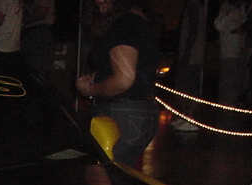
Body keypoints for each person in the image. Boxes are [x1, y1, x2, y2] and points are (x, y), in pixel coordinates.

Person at [75, 0, 160, 167]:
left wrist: (90, 89)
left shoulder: (124, 24)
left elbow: (123, 80)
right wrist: (99, 76)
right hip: (139, 110)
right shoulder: (139, 22)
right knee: (118, 172)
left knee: (103, 174)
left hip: (122, 113)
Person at [170, 0, 206, 131]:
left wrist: (186, 53)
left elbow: (193, 31)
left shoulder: (193, 5)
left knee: (187, 86)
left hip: (191, 55)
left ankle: (188, 118)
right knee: (187, 86)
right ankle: (184, 117)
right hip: (192, 54)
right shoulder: (195, 6)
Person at [214, 0, 250, 106]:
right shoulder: (226, 7)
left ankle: (233, 106)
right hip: (228, 52)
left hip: (241, 52)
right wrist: (231, 14)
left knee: (237, 84)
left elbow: (244, 25)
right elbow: (218, 25)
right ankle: (225, 106)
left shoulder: (241, 8)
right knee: (227, 83)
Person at [22, 0, 55, 77]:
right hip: (35, 30)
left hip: (39, 29)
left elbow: (41, 13)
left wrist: (23, 20)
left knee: (36, 65)